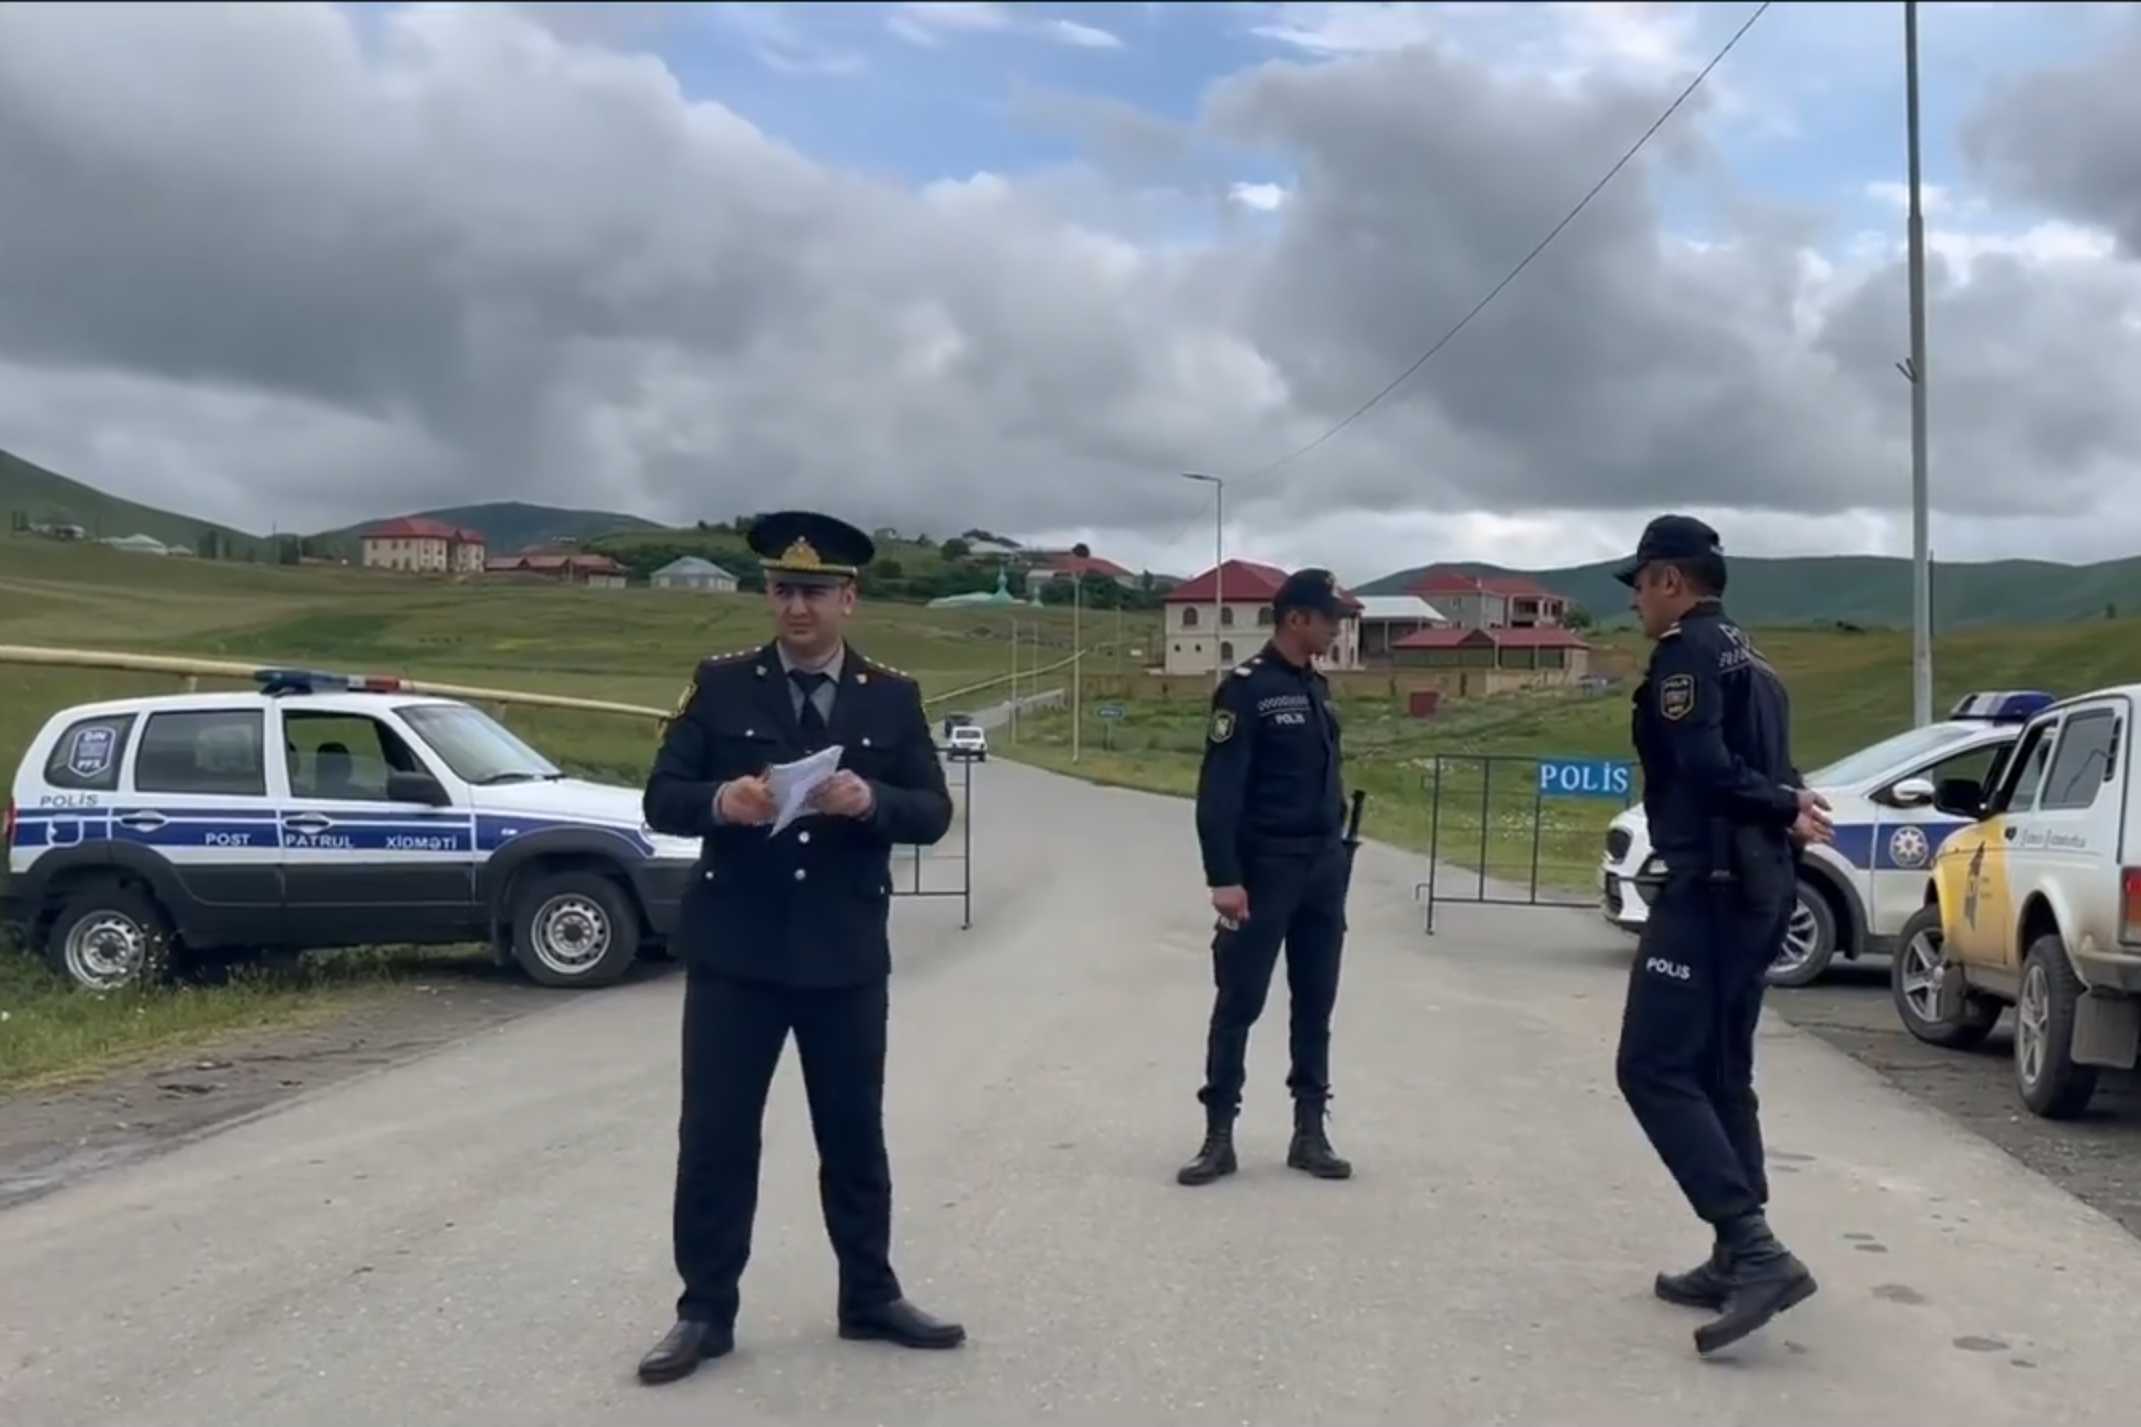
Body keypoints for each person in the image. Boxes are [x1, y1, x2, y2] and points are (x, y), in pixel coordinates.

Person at [636, 510, 965, 1385]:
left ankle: (869, 1294)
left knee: (853, 1134)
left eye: (815, 591)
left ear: (849, 598)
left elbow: (933, 812)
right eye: (783, 589)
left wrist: (872, 803)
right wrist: (721, 801)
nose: (796, 607)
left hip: (842, 953)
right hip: (736, 953)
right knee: (714, 1137)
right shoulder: (720, 684)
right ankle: (703, 1310)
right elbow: (659, 796)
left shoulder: (889, 697)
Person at [1611, 514, 1836, 1357]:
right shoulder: (1754, 656)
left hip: (1710, 884)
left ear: (1672, 580)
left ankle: (1754, 1248)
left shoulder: (1686, 655)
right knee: (1718, 1068)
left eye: (1640, 582)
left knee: (1652, 1066)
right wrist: (1789, 801)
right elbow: (1770, 763)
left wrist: (1782, 804)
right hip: (1759, 883)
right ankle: (1731, 1253)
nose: (1635, 598)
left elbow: (1703, 764)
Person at [1177, 567, 1357, 1187]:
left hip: (1322, 868)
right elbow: (1218, 792)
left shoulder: (1319, 688)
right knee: (1239, 1003)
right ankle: (1218, 1135)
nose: (1337, 627)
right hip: (1265, 869)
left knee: (1316, 1002)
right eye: (1330, 617)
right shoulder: (1246, 690)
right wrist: (1224, 877)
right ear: (1296, 619)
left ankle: (1310, 1132)